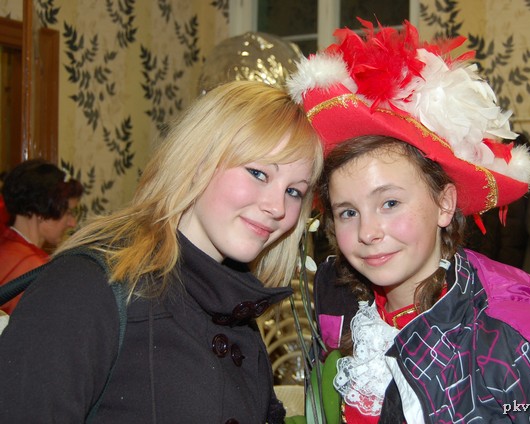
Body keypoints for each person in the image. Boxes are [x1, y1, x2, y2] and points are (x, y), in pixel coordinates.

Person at [286, 19, 530, 423]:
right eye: (348, 212)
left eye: (390, 202)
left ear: (444, 204)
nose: (367, 232)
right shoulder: (345, 311)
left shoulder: (514, 337)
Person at [0, 80, 323, 423]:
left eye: (294, 191)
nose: (277, 207)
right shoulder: (85, 287)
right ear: (198, 160)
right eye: (258, 173)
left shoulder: (236, 310)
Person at [0, 159, 83, 314]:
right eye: (68, 213)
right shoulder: (33, 268)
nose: (72, 223)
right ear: (41, 211)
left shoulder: (6, 247)